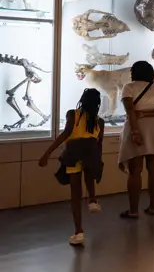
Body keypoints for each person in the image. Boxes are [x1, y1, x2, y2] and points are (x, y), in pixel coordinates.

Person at [38, 88, 105, 246]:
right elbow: (99, 143)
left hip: (73, 153)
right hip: (91, 152)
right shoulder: (99, 121)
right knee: (89, 174)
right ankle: (93, 200)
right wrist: (98, 161)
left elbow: (65, 134)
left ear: (82, 100)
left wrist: (47, 153)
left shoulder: (72, 114)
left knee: (75, 196)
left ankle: (79, 231)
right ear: (98, 104)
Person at [118, 61, 154, 219]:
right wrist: (148, 114)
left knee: (135, 170)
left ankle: (133, 210)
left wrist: (135, 130)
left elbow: (130, 110)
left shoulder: (128, 87)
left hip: (137, 126)